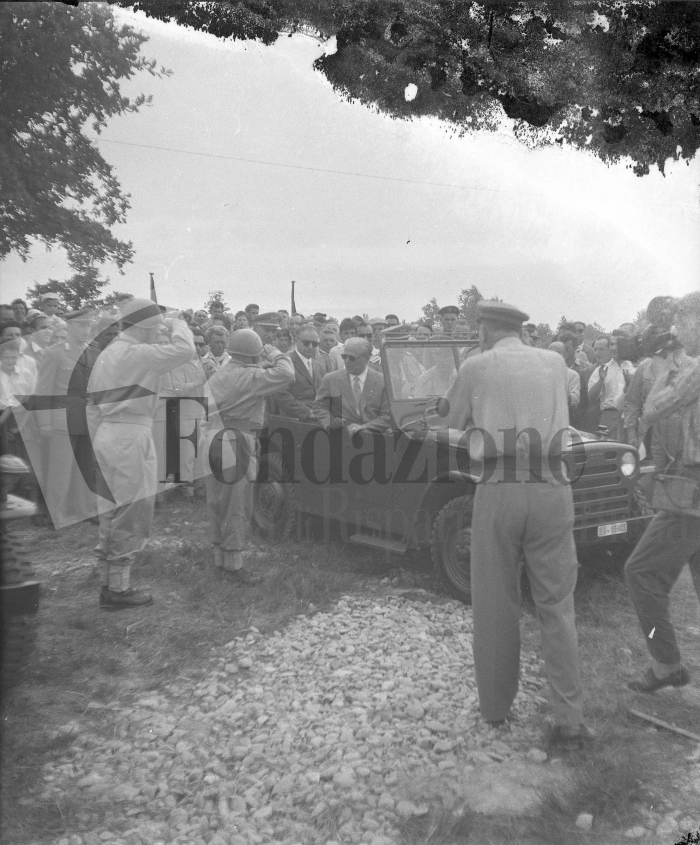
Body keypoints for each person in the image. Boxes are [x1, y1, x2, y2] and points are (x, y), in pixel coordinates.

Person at [442, 300, 592, 750]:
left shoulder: (476, 365)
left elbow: (448, 422)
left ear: (485, 330)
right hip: (552, 486)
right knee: (557, 604)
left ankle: (495, 708)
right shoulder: (555, 362)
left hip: (500, 485)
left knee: (494, 602)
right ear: (521, 330)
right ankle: (570, 719)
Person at [87, 299, 195, 609]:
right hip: (131, 432)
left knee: (110, 511)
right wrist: (176, 322)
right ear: (146, 328)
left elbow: (92, 405)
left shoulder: (109, 353)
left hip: (107, 431)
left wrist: (99, 442)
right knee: (133, 510)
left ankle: (108, 583)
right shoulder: (138, 353)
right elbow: (185, 349)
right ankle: (118, 590)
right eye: (155, 328)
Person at [625, 331, 700, 693]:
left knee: (641, 572)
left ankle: (666, 664)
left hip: (693, 495)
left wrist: (663, 373)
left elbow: (652, 410)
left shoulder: (693, 371)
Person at [201, 329, 293, 576]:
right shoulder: (251, 377)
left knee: (217, 500)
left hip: (212, 437)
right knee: (237, 502)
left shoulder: (220, 374)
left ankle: (219, 557)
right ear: (254, 354)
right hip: (237, 438)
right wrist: (276, 353)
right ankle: (234, 563)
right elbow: (287, 373)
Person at [35, 309, 100, 527]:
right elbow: (43, 390)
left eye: (88, 325)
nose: (86, 330)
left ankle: (86, 510)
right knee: (60, 470)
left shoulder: (92, 352)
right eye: (81, 325)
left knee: (86, 467)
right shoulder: (54, 353)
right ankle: (56, 514)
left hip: (87, 418)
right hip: (63, 419)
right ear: (69, 327)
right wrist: (44, 421)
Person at [314, 337, 391, 435]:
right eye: (344, 356)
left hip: (373, 438)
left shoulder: (382, 381)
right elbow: (319, 407)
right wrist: (330, 420)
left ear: (366, 359)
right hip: (341, 437)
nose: (346, 361)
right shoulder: (330, 379)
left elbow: (387, 415)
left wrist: (365, 427)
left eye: (352, 358)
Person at [276, 326, 324, 421]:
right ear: (296, 341)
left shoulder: (319, 366)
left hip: (318, 418)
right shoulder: (286, 362)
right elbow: (281, 395)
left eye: (314, 344)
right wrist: (308, 412)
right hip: (293, 420)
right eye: (306, 343)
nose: (310, 347)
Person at [587, 335, 631, 439]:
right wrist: (601, 380)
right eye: (611, 344)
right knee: (606, 447)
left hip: (629, 418)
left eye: (617, 344)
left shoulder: (634, 367)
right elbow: (591, 397)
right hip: (608, 418)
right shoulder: (602, 369)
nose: (613, 348)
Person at [549, 341, 581, 412]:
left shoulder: (572, 375)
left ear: (565, 355)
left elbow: (575, 399)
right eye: (551, 353)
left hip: (564, 413)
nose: (554, 355)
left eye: (558, 353)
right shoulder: (542, 373)